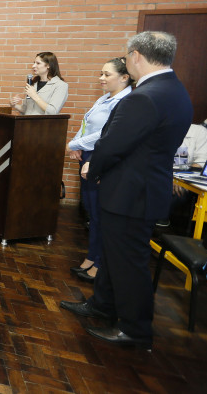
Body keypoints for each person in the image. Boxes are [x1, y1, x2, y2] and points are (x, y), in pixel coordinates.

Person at [61, 31, 192, 349]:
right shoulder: (174, 90)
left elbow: (113, 144)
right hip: (139, 189)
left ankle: (135, 329)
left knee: (129, 264)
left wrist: (97, 167)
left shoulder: (145, 96)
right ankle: (103, 305)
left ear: (136, 56)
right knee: (113, 254)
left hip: (131, 194)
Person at [66, 57, 133, 282]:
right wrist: (76, 145)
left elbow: (106, 134)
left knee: (102, 214)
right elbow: (86, 125)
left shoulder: (125, 101)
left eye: (107, 74)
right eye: (100, 74)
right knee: (92, 214)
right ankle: (91, 257)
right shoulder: (104, 98)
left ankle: (101, 263)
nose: (101, 78)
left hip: (101, 157)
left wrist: (76, 145)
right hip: (86, 155)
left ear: (125, 77)